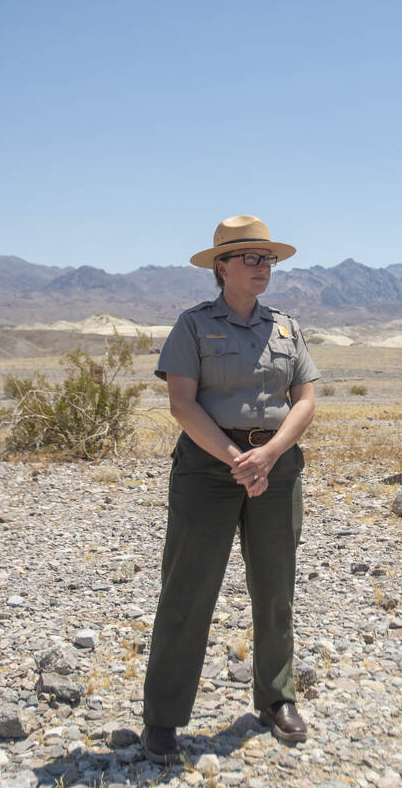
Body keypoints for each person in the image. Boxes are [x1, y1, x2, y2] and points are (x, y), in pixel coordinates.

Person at [141, 214, 320, 763]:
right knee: (188, 590)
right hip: (208, 469)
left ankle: (277, 698)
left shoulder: (286, 328)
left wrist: (268, 454)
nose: (264, 267)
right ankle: (164, 719)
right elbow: (182, 403)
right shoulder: (192, 326)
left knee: (275, 587)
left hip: (275, 466)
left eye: (267, 259)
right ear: (221, 267)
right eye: (251, 258)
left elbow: (306, 399)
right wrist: (236, 457)